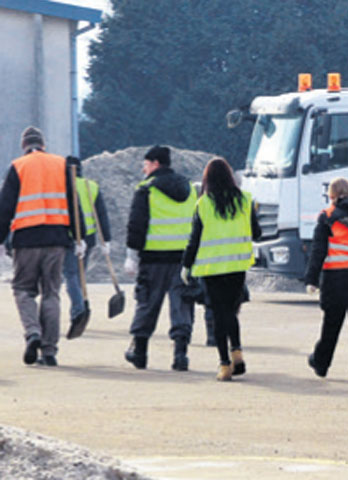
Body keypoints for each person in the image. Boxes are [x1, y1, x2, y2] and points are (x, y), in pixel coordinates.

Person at [0, 126, 84, 366]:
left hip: (26, 240)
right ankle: (49, 351)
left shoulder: (18, 167)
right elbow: (73, 204)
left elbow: (5, 208)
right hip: (57, 239)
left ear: (24, 146)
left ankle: (32, 332)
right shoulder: (62, 165)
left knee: (23, 290)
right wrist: (80, 239)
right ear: (44, 145)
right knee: (51, 293)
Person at [181, 158, 261, 381]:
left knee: (218, 314)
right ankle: (237, 352)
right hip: (237, 266)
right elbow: (257, 233)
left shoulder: (203, 203)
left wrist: (186, 266)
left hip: (212, 267)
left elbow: (194, 240)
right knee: (231, 311)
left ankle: (224, 365)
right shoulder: (245, 200)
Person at [124, 145, 197, 371]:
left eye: (145, 165)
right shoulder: (190, 190)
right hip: (183, 259)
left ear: (155, 163)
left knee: (147, 303)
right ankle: (180, 355)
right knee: (182, 305)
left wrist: (132, 256)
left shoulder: (146, 189)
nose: (143, 169)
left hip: (153, 259)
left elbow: (137, 226)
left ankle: (140, 352)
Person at [305, 177, 348, 381]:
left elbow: (318, 251)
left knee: (331, 326)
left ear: (332, 196)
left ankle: (321, 363)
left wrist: (311, 279)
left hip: (335, 279)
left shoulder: (327, 216)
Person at [63, 156, 112, 324]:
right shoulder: (91, 186)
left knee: (71, 275)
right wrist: (106, 240)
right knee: (79, 274)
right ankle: (80, 306)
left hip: (68, 237)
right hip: (89, 239)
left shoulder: (63, 186)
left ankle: (78, 309)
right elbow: (102, 216)